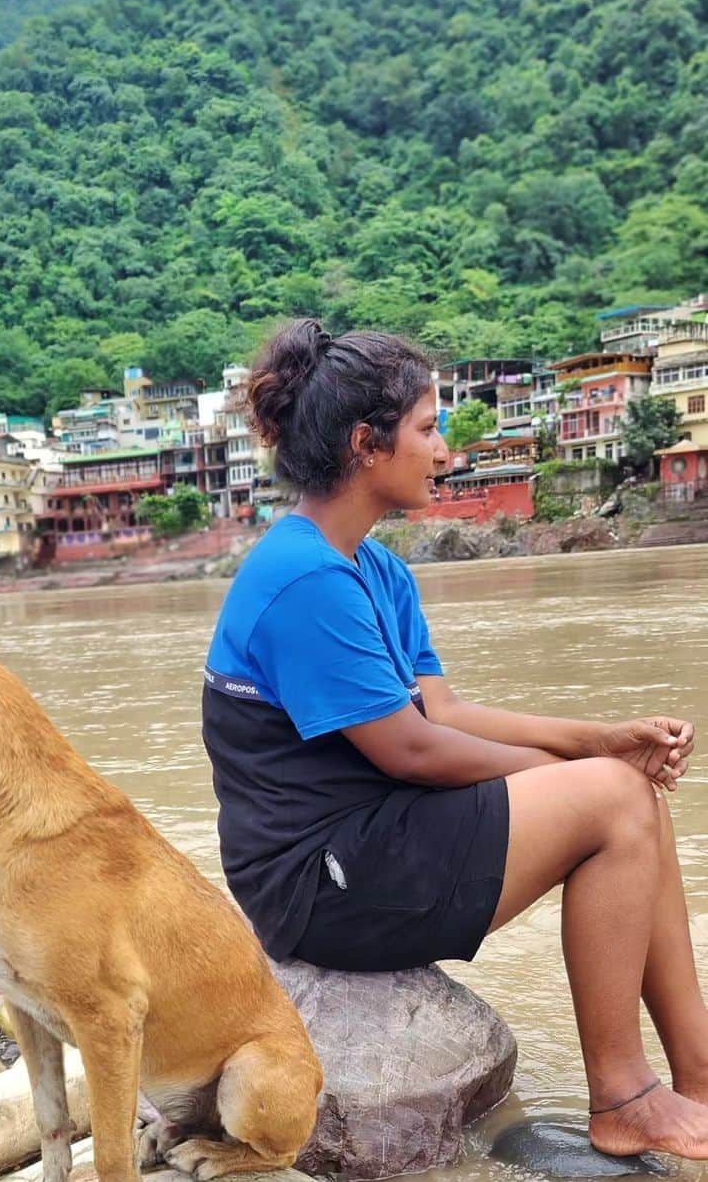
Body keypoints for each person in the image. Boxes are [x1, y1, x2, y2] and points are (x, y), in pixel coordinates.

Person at [201, 320, 708, 1160]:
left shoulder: (374, 567)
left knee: (628, 797)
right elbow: (414, 751)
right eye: (429, 428)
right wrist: (588, 775)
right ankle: (623, 1096)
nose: (444, 451)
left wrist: (595, 740)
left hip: (372, 835)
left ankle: (696, 1078)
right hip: (316, 882)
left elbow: (442, 709)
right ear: (368, 444)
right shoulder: (303, 579)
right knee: (616, 800)